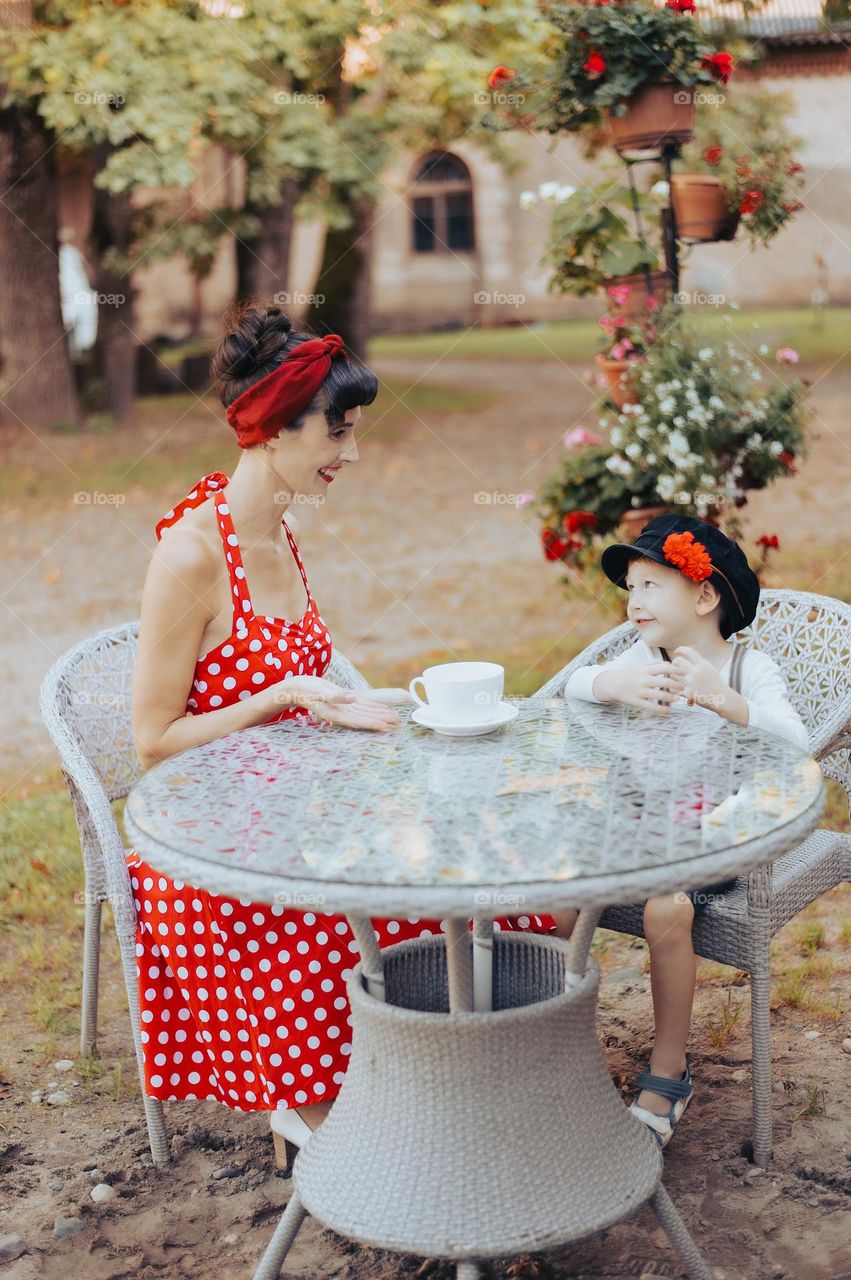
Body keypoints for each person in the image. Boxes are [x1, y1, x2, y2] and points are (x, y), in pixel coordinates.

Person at [128, 301, 549, 1163]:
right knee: (354, 919)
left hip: (307, 810)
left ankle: (447, 1086)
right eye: (338, 432)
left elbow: (307, 685)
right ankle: (329, 1117)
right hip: (210, 843)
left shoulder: (278, 529)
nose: (351, 454)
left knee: (484, 879)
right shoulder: (190, 556)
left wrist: (351, 707)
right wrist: (281, 696)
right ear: (275, 428)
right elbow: (152, 741)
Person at [552, 514, 809, 1148]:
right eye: (630, 588)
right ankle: (561, 1048)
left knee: (667, 912)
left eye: (650, 585)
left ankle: (669, 1072)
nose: (634, 601)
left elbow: (797, 743)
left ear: (703, 595)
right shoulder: (643, 658)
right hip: (640, 825)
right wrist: (613, 681)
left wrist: (723, 699)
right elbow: (572, 688)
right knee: (554, 895)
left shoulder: (749, 669)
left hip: (717, 833)